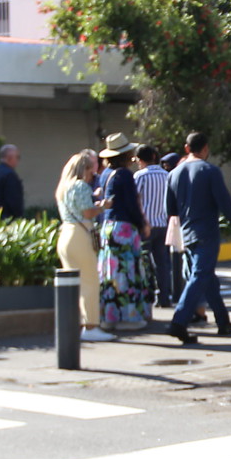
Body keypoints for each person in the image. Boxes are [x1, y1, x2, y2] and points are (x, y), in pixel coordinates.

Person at [165, 130, 231, 345]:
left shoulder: (173, 173)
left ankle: (223, 321)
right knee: (200, 275)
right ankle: (179, 321)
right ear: (206, 149)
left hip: (187, 232)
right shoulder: (210, 171)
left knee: (206, 277)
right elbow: (225, 203)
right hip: (207, 232)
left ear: (186, 148)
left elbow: (170, 209)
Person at [92, 134, 151, 333]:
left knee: (111, 274)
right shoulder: (124, 175)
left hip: (108, 226)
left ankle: (109, 317)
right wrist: (142, 223)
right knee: (128, 272)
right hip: (124, 228)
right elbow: (132, 204)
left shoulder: (105, 174)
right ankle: (129, 316)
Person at [54, 150, 111, 342]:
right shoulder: (81, 186)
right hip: (80, 235)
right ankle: (91, 326)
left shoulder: (64, 187)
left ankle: (77, 322)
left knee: (74, 285)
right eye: (90, 170)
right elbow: (87, 213)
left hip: (66, 234)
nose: (92, 174)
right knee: (90, 282)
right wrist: (104, 205)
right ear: (84, 169)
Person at [134, 145, 173, 308]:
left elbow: (135, 200)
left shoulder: (140, 176)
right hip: (163, 224)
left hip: (146, 225)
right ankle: (164, 296)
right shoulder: (167, 175)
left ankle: (148, 295)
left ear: (140, 159)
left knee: (144, 261)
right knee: (162, 262)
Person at [0, 143, 25, 219]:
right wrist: (19, 216)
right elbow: (14, 200)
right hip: (7, 218)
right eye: (17, 157)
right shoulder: (9, 175)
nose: (18, 160)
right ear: (9, 158)